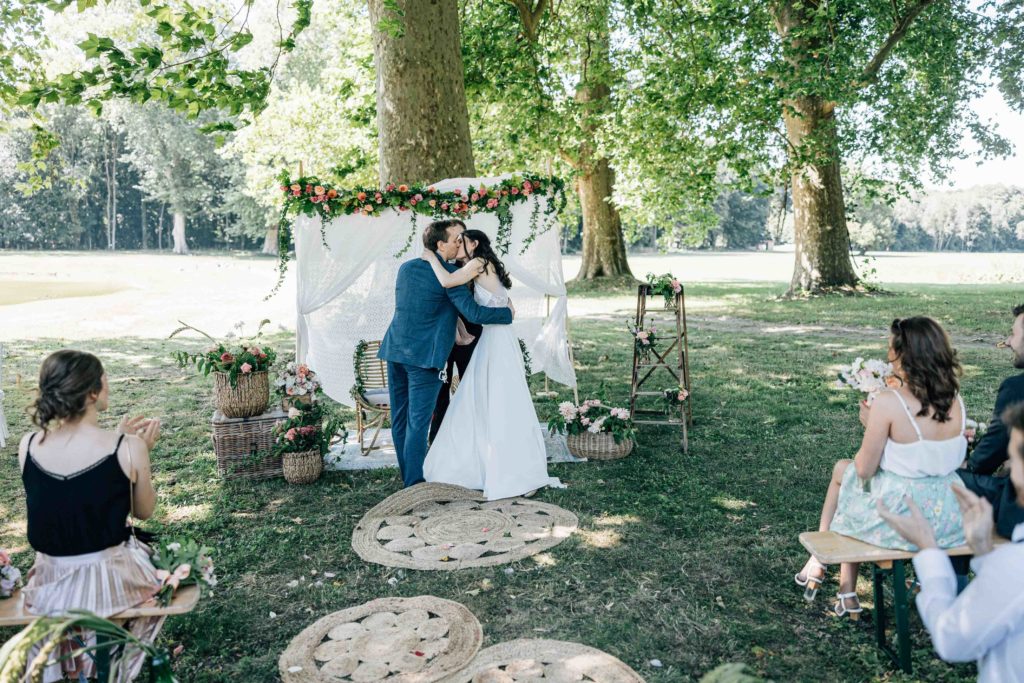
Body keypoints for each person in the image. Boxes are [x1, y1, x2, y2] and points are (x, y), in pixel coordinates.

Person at [795, 317, 967, 618]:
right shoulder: (955, 400)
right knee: (847, 475)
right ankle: (831, 575)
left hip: (902, 521)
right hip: (950, 518)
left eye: (891, 349)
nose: (888, 355)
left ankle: (826, 567)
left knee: (847, 476)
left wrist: (870, 424)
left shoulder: (890, 402)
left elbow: (864, 469)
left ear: (904, 356)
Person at [17, 350, 163, 682]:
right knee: (161, 569)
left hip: (50, 582)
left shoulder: (27, 446)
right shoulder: (127, 447)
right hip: (110, 580)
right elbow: (144, 511)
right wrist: (135, 449)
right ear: (93, 392)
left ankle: (71, 668)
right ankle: (115, 663)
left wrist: (120, 441)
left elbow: (69, 500)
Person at [877, 402, 1024, 683]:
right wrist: (983, 550)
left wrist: (929, 551)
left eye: (1014, 458)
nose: (1008, 465)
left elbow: (952, 641)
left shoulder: (1016, 567)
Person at [420, 229, 564, 500]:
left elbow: (448, 281)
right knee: (483, 399)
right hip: (496, 337)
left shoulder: (478, 263)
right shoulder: (480, 266)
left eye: (462, 241)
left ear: (475, 244)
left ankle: (508, 469)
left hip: (496, 340)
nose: (458, 245)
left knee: (497, 400)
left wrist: (431, 258)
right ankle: (484, 465)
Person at [378, 220, 515, 488]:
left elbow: (425, 307)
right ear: (440, 244)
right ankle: (415, 484)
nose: (458, 244)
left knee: (400, 419)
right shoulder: (452, 274)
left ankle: (408, 477)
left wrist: (454, 325)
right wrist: (507, 314)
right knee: (418, 424)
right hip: (424, 359)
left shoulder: (406, 269)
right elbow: (475, 313)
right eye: (455, 239)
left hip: (395, 351)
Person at [957, 303, 1024, 538]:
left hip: (1017, 510)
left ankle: (954, 571)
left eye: (1014, 334)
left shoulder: (1017, 388)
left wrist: (968, 464)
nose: (1008, 342)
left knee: (945, 482)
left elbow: (992, 450)